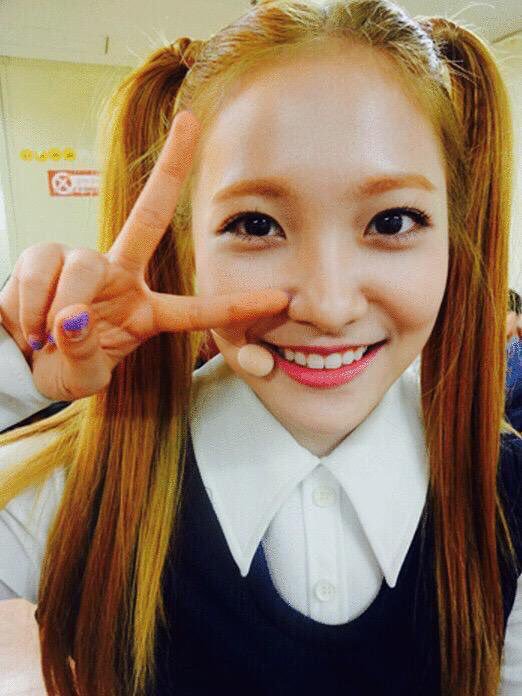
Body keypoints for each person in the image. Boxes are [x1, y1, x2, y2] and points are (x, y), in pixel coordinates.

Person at [0, 1, 521, 694]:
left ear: (455, 234)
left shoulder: (505, 486)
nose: (329, 307)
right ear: (187, 247)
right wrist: (12, 373)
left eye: (393, 220)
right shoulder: (86, 482)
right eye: (255, 225)